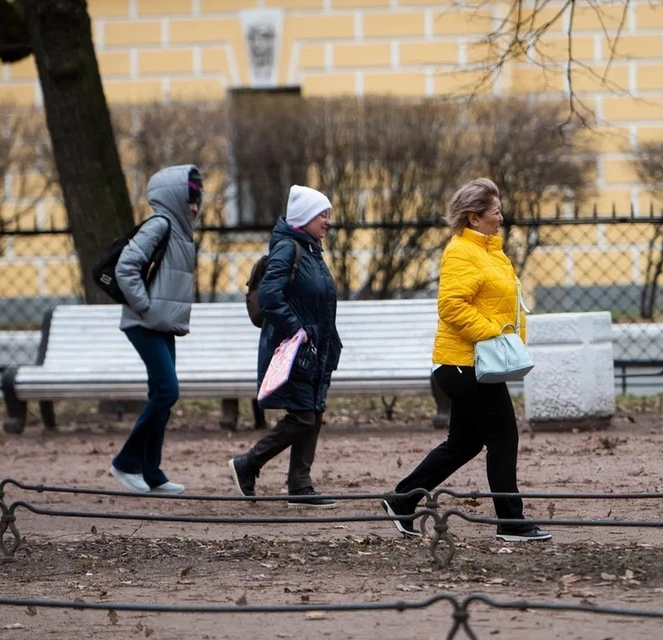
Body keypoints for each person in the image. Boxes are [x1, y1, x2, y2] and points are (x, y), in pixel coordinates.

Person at [382, 178, 551, 542]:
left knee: (465, 442)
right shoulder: (461, 251)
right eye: (495, 212)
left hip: (477, 363)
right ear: (474, 218)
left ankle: (402, 500)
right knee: (503, 436)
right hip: (463, 365)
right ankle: (510, 520)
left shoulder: (492, 252)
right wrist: (496, 333)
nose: (501, 218)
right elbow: (452, 307)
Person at [229, 185, 342, 509]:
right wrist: (297, 330)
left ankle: (300, 485)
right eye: (323, 214)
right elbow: (270, 297)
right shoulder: (287, 250)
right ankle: (248, 464)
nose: (328, 221)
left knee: (313, 413)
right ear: (305, 217)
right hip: (291, 349)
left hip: (314, 348)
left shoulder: (311, 250)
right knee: (303, 416)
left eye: (328, 214)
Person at [108, 164, 203, 495]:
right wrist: (145, 306)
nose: (194, 205)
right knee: (167, 391)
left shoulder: (179, 230)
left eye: (197, 199)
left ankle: (152, 472)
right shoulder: (160, 224)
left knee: (161, 394)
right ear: (175, 196)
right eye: (190, 198)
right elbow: (126, 267)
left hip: (160, 324)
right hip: (144, 322)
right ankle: (126, 462)